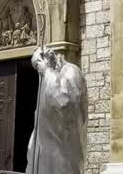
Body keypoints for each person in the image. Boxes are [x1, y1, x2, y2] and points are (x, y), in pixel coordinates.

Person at [27, 46, 87, 174]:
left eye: (38, 65)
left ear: (45, 59)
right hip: (48, 153)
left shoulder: (70, 71)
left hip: (63, 152)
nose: (38, 71)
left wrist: (47, 71)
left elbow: (64, 103)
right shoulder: (48, 78)